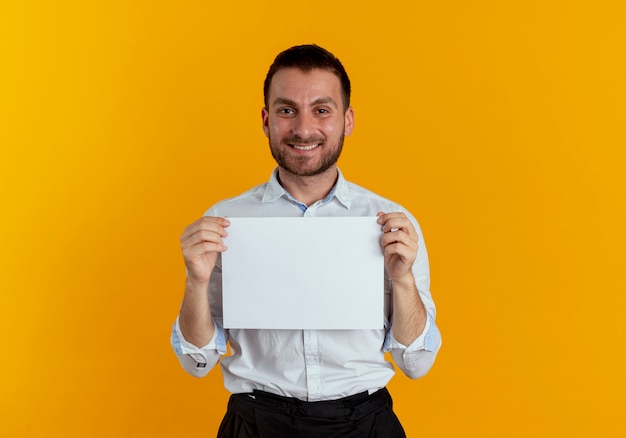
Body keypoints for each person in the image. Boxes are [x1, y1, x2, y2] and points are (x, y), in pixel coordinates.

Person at [171, 44, 442, 437]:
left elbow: (416, 365)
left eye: (321, 110)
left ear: (347, 120)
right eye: (286, 111)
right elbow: (197, 363)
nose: (303, 129)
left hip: (364, 424)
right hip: (256, 423)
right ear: (266, 120)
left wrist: (402, 281)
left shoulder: (390, 224)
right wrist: (195, 282)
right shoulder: (225, 222)